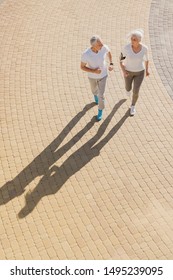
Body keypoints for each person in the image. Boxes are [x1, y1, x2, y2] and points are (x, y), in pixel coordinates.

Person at [81, 35, 113, 121]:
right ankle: (95, 94)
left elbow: (109, 52)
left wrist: (111, 63)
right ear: (93, 46)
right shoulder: (86, 54)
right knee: (94, 90)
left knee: (101, 95)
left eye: (102, 44)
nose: (102, 46)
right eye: (100, 45)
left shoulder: (103, 48)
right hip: (92, 77)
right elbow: (82, 67)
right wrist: (94, 71)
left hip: (103, 76)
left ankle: (100, 110)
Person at [120, 29, 149, 116]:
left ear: (139, 40)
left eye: (134, 39)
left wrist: (147, 70)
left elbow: (147, 60)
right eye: (131, 39)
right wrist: (124, 71)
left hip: (140, 72)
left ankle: (133, 106)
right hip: (128, 72)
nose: (132, 41)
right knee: (128, 88)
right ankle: (127, 90)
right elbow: (121, 61)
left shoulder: (144, 48)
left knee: (136, 91)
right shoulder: (126, 48)